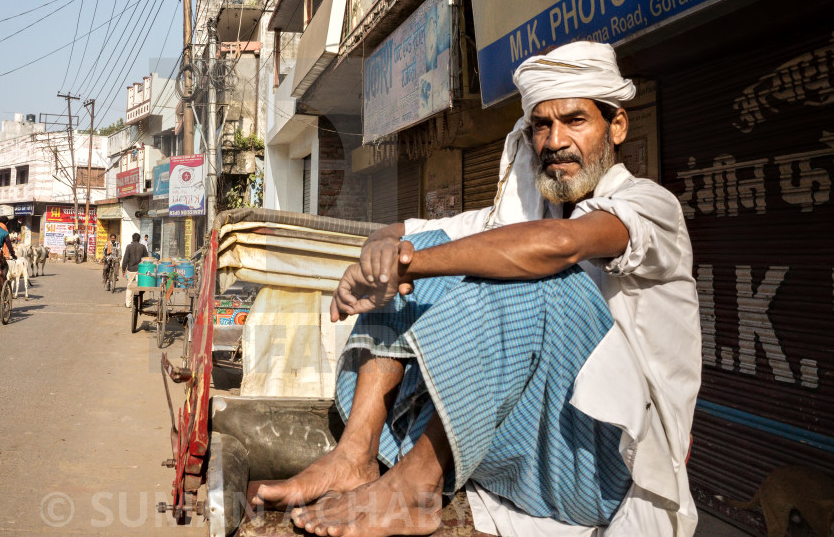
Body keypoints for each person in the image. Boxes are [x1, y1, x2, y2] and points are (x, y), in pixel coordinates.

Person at [253, 42, 700, 537]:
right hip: (529, 455)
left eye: (575, 121)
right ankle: (355, 453)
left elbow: (558, 245)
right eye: (542, 125)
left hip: (603, 466)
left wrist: (413, 265)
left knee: (525, 270)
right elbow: (399, 233)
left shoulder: (650, 206)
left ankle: (414, 489)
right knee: (432, 247)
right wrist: (383, 256)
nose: (555, 140)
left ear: (616, 127)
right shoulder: (529, 215)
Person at [122, 232, 150, 309]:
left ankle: (128, 303)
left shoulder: (129, 246)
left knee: (129, 286)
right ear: (139, 239)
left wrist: (123, 269)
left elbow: (125, 259)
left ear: (132, 239)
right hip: (140, 270)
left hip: (131, 269)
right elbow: (146, 258)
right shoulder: (142, 247)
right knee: (140, 286)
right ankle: (138, 303)